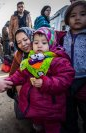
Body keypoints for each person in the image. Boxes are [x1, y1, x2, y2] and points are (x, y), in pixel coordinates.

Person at [6, 27, 75, 133]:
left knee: (52, 127)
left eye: (44, 42)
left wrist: (45, 82)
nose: (39, 45)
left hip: (51, 107)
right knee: (37, 125)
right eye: (36, 42)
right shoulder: (32, 59)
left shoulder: (57, 60)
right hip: (35, 104)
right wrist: (8, 81)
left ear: (51, 44)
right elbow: (20, 73)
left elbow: (65, 79)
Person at [62, 1, 86, 133]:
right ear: (67, 19)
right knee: (69, 112)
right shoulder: (63, 36)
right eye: (73, 15)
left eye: (82, 14)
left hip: (84, 80)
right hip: (67, 80)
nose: (77, 18)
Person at [7, 27, 34, 99]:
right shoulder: (18, 55)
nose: (23, 44)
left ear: (32, 37)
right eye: (19, 43)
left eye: (25, 39)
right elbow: (12, 74)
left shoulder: (44, 52)